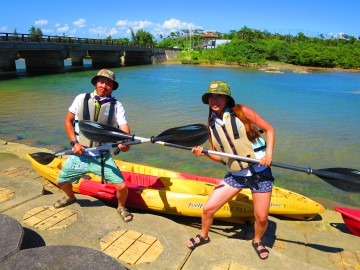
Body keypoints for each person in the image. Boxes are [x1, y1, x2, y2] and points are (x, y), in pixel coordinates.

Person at [187, 80, 275, 260]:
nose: (214, 100)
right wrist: (205, 154)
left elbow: (270, 130)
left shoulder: (243, 112)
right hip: (236, 175)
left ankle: (257, 240)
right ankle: (204, 235)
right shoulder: (211, 126)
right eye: (211, 96)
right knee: (208, 209)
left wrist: (268, 155)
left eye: (219, 96)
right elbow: (221, 159)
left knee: (262, 218)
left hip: (260, 172)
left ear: (227, 98)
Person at [53, 69, 133, 223]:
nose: (104, 85)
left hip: (101, 156)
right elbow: (68, 121)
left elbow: (124, 126)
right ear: (96, 83)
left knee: (122, 187)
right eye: (101, 81)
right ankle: (70, 197)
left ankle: (121, 206)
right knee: (61, 182)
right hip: (79, 155)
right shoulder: (80, 98)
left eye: (109, 83)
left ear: (112, 87)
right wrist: (74, 143)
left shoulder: (117, 105)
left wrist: (125, 141)